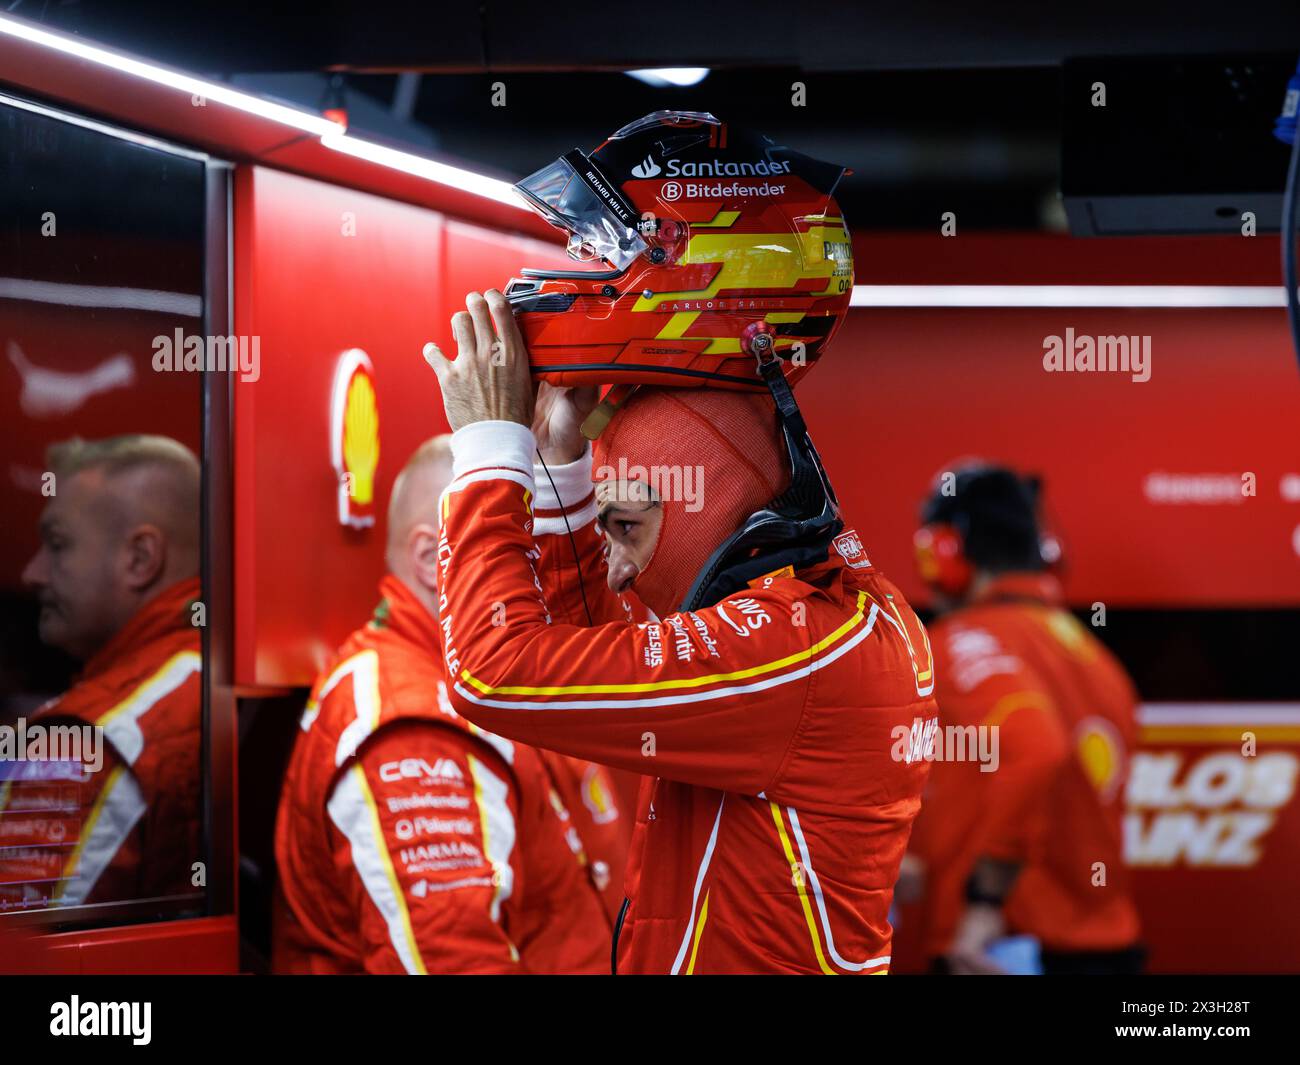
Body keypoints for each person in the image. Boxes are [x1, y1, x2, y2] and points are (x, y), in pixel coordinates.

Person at [423, 279, 938, 973]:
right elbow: (583, 667)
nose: (621, 571)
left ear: (707, 499)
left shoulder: (797, 651)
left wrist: (489, 448)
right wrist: (557, 462)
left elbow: (496, 675)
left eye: (629, 528)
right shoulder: (835, 618)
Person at [273, 435, 621, 974]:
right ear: (429, 560)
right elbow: (454, 960)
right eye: (517, 551)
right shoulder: (405, 722)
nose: (541, 570)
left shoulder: (501, 679)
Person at [902, 463, 1143, 974]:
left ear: (947, 552)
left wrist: (984, 900)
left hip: (1004, 949)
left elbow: (1035, 750)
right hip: (1103, 949)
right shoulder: (1094, 657)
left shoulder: (962, 642)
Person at [0, 435, 203, 911]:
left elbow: (20, 947)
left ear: (139, 558)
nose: (33, 573)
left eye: (57, 545)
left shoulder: (95, 735)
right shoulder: (212, 669)